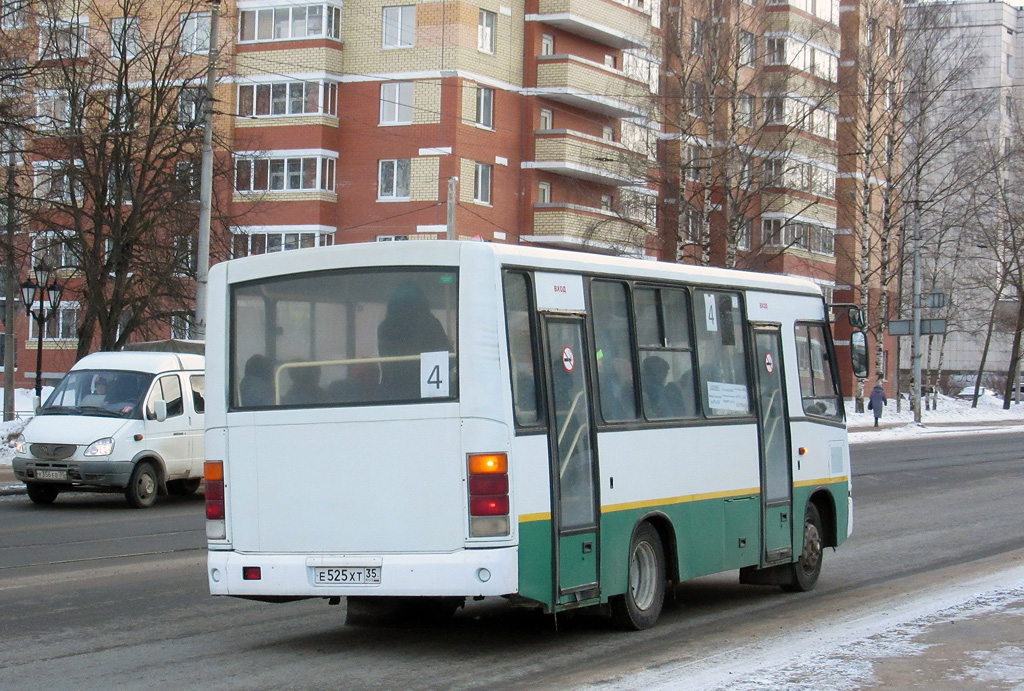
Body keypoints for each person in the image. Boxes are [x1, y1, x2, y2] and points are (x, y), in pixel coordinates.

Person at [377, 282, 451, 399]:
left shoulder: (385, 327)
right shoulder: (430, 324)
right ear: (422, 303)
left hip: (392, 393)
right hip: (429, 391)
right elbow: (447, 359)